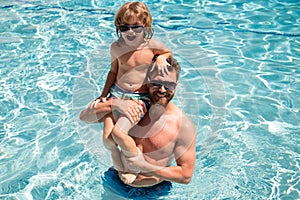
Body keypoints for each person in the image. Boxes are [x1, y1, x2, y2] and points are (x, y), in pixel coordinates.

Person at [80, 56, 196, 196]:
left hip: (152, 191)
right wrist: (114, 104)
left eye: (169, 84)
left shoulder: (182, 126)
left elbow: (185, 175)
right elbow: (85, 117)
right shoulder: (132, 108)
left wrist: (144, 166)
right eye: (156, 83)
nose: (162, 90)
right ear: (147, 82)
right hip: (116, 181)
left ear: (176, 85)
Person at [92, 2, 172, 184]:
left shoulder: (152, 46)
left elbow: (168, 52)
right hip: (115, 95)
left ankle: (136, 167)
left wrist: (160, 58)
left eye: (136, 27)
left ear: (146, 25)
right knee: (108, 141)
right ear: (118, 26)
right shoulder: (116, 47)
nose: (130, 32)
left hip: (138, 99)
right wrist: (103, 95)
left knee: (119, 134)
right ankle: (121, 168)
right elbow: (113, 72)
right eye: (124, 27)